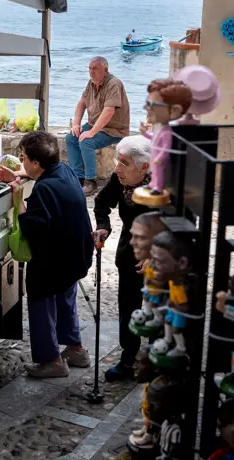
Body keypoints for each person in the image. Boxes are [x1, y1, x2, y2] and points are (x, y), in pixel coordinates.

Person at [2, 131, 93, 378]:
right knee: (66, 298)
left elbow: (32, 228)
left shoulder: (44, 190)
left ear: (35, 163)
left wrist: (17, 196)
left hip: (55, 262)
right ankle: (76, 349)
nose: (21, 163)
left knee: (41, 300)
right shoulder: (65, 171)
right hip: (77, 255)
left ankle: (51, 360)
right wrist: (20, 175)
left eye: (23, 159)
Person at [91, 135, 159, 381]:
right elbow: (101, 202)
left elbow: (179, 223)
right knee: (129, 309)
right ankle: (128, 360)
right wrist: (103, 227)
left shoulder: (164, 186)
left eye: (124, 163)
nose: (116, 168)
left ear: (145, 167)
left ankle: (153, 361)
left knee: (155, 311)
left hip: (160, 258)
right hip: (130, 254)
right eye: (117, 161)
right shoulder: (119, 181)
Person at [66, 57, 131, 195]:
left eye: (94, 69)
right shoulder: (91, 83)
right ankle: (78, 178)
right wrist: (76, 124)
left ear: (105, 70)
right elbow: (81, 103)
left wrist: (91, 132)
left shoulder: (114, 83)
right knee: (71, 138)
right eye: (89, 68)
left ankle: (91, 182)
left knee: (86, 142)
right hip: (94, 125)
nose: (91, 72)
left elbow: (109, 111)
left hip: (113, 130)